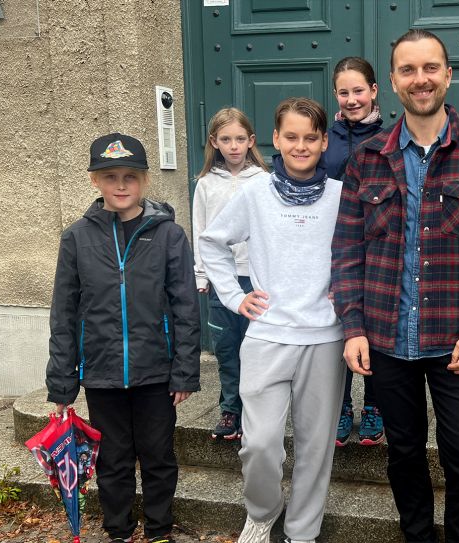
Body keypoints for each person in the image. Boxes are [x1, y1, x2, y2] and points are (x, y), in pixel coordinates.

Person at [331, 29, 459, 543]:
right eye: (408, 70)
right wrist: (353, 328)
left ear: (448, 75)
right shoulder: (366, 159)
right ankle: (417, 535)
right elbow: (347, 252)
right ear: (392, 81)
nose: (420, 79)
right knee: (405, 453)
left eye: (430, 68)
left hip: (457, 340)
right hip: (387, 339)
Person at [199, 97, 345, 543]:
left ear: (323, 142)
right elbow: (212, 243)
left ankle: (302, 531)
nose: (301, 146)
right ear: (276, 140)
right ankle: (262, 513)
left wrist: (349, 292)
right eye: (291, 137)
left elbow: (362, 253)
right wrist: (234, 296)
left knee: (315, 446)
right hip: (266, 335)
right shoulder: (254, 194)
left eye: (310, 138)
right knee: (259, 442)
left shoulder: (342, 196)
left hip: (325, 337)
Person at [46, 132, 201, 543]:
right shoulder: (76, 238)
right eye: (110, 176)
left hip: (155, 372)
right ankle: (118, 530)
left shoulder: (169, 235)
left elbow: (185, 305)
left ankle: (159, 530)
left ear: (145, 181)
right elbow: (63, 313)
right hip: (101, 373)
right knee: (112, 459)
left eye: (129, 176)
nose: (120, 185)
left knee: (158, 456)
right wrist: (62, 383)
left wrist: (185, 371)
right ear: (95, 181)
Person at [192, 107, 270, 441]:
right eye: (226, 139)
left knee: (257, 348)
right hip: (222, 281)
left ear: (251, 141)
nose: (234, 146)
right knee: (227, 348)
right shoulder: (206, 184)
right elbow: (201, 231)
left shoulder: (265, 181)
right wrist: (202, 274)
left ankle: (257, 411)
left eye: (240, 139)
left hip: (255, 280)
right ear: (215, 142)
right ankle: (230, 410)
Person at [321, 56, 386, 447]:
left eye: (358, 90)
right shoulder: (324, 138)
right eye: (344, 92)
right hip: (333, 248)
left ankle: (374, 404)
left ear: (374, 91)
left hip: (376, 248)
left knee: (374, 328)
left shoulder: (389, 138)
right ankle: (341, 405)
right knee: (341, 327)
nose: (351, 99)